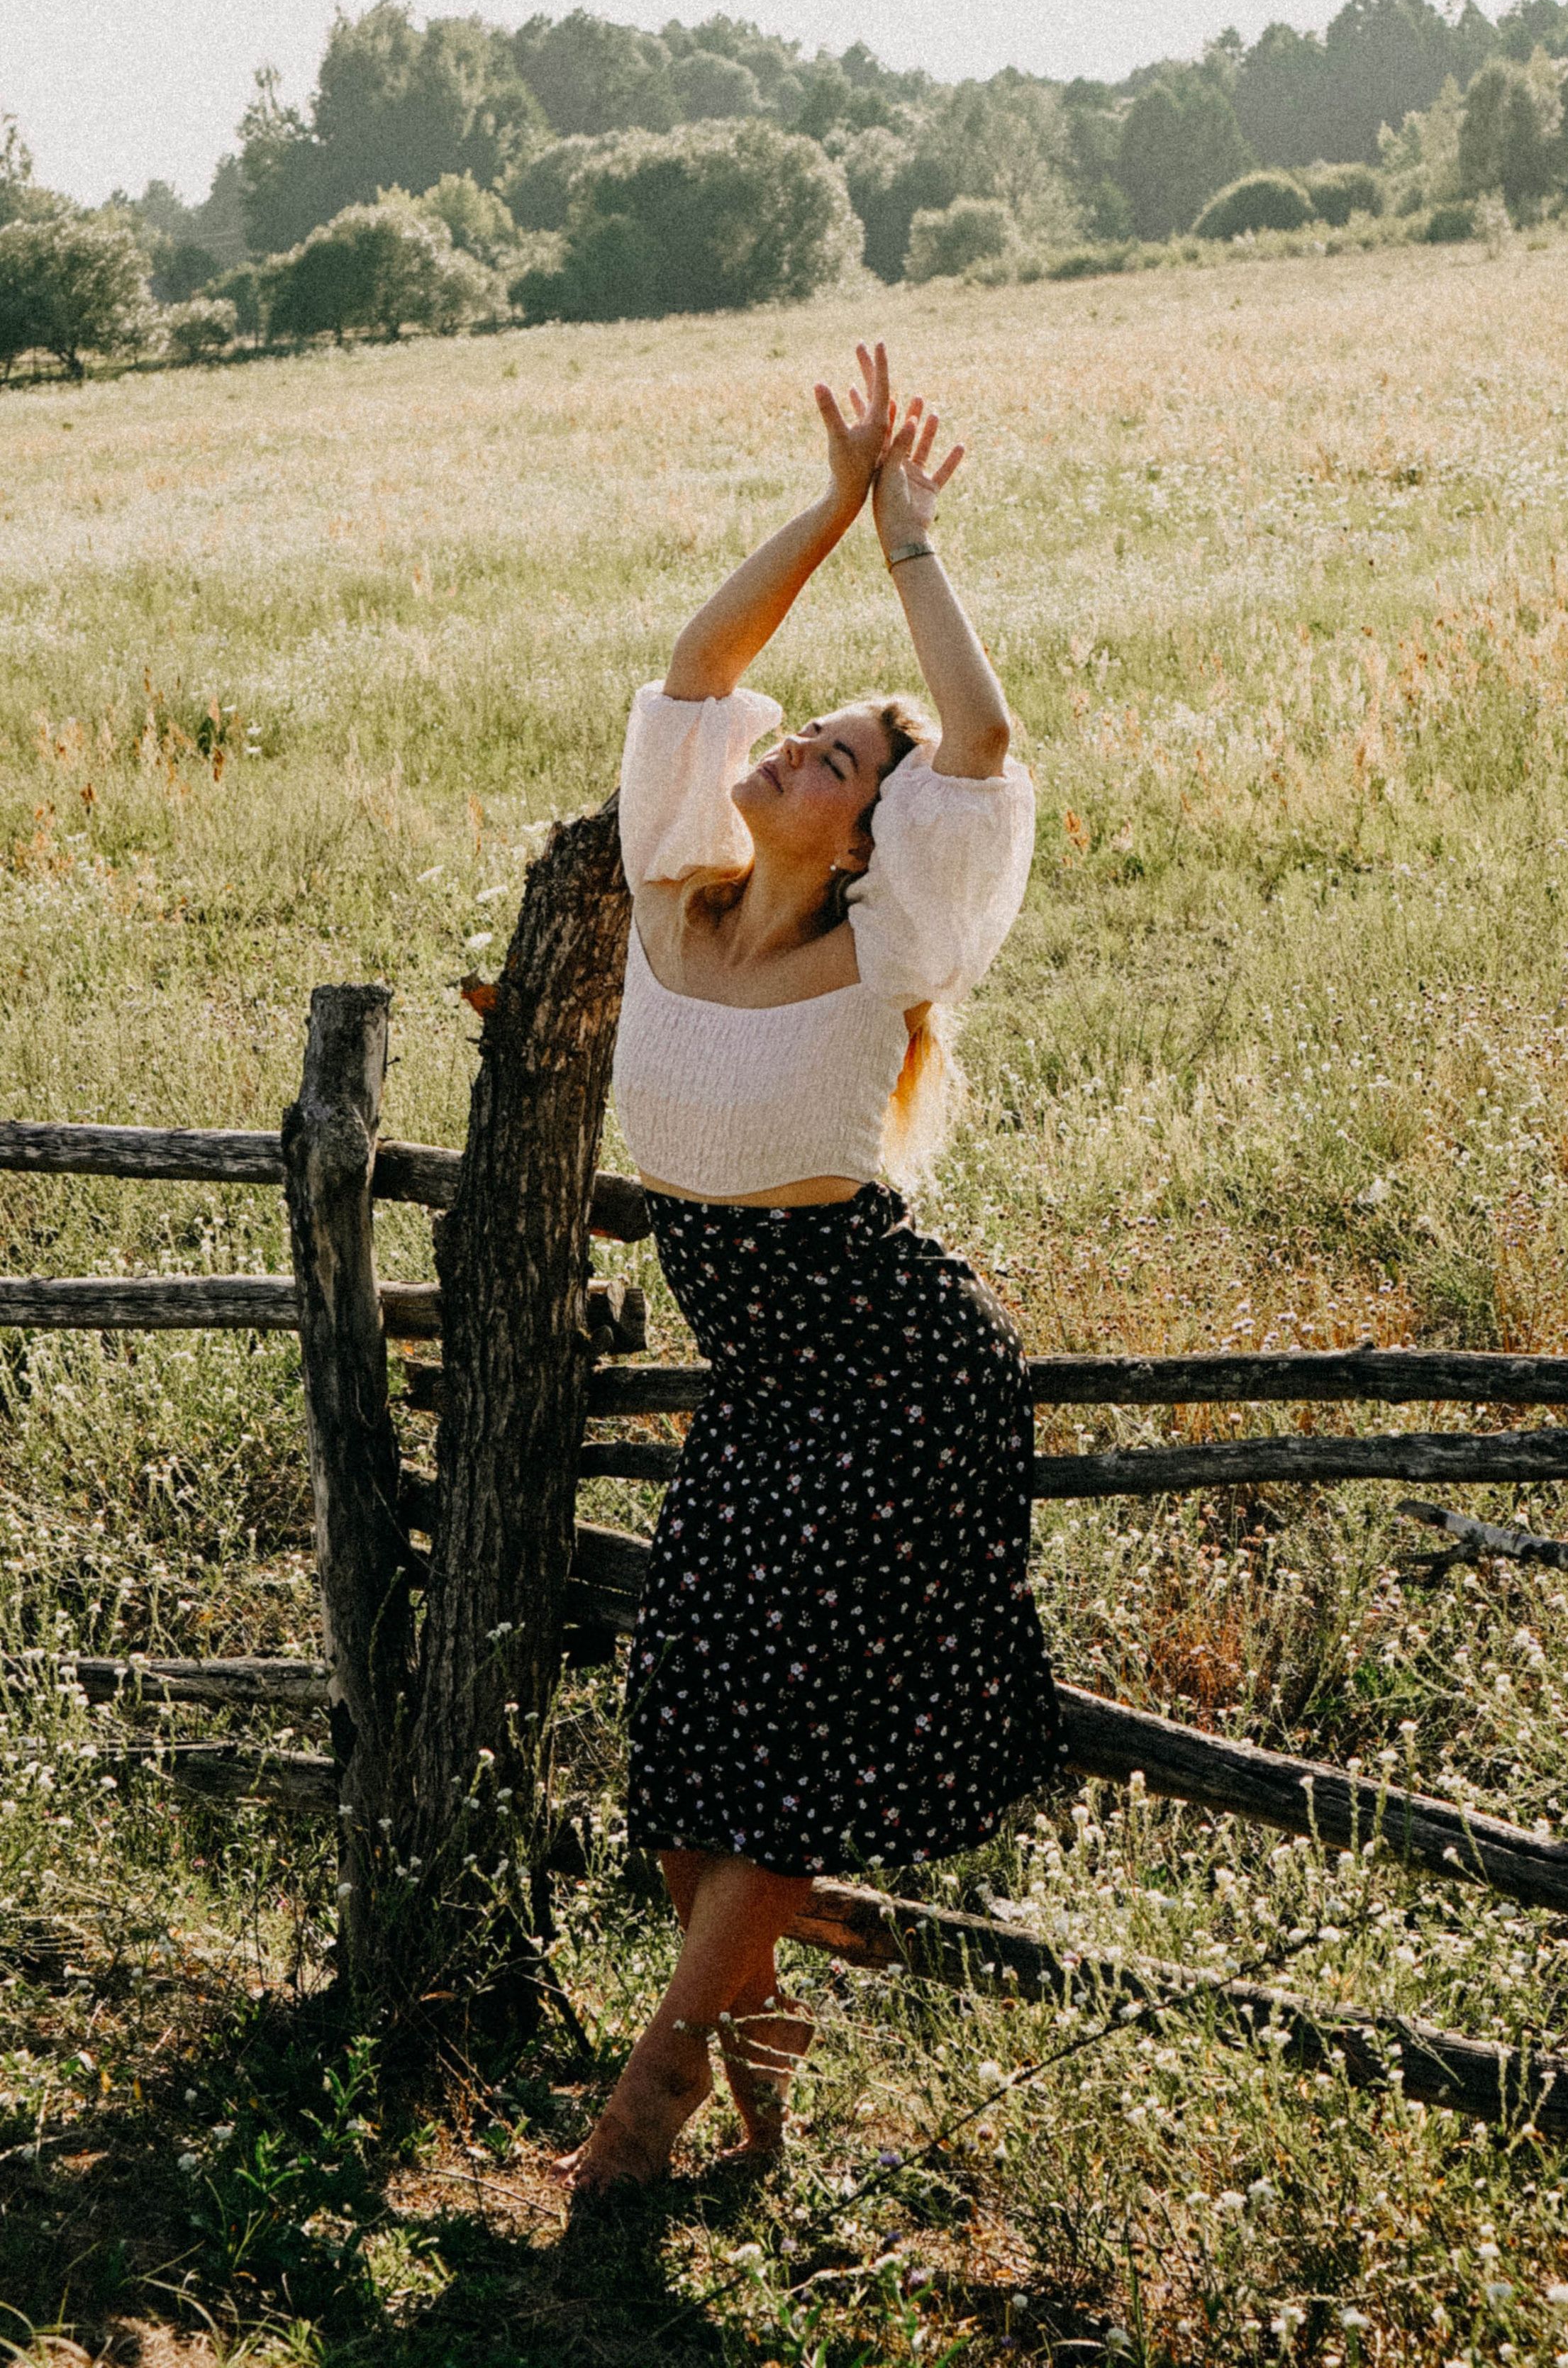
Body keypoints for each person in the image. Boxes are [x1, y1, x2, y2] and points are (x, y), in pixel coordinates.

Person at [554, 343, 1062, 2199]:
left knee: (764, 1765)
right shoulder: (676, 887)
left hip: (893, 1368)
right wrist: (831, 507)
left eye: (834, 756)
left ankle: (659, 2090)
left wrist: (914, 550)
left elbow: (982, 755)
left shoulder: (887, 949)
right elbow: (693, 673)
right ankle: (760, 2099)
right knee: (687, 1755)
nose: (785, 748)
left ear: (872, 835)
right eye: (799, 737)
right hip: (767, 1378)